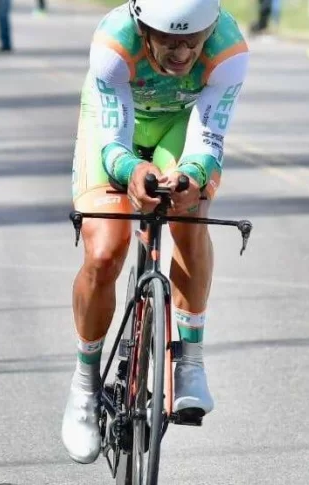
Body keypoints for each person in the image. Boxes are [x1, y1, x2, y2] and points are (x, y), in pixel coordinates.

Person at [62, 0, 249, 465]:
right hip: (115, 126)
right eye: (169, 40)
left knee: (191, 215)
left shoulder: (228, 50)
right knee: (105, 252)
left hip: (181, 128)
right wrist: (129, 169)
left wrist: (192, 174)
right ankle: (84, 387)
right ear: (143, 28)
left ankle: (189, 361)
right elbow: (112, 139)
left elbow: (209, 137)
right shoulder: (113, 46)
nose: (183, 53)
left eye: (193, 40)